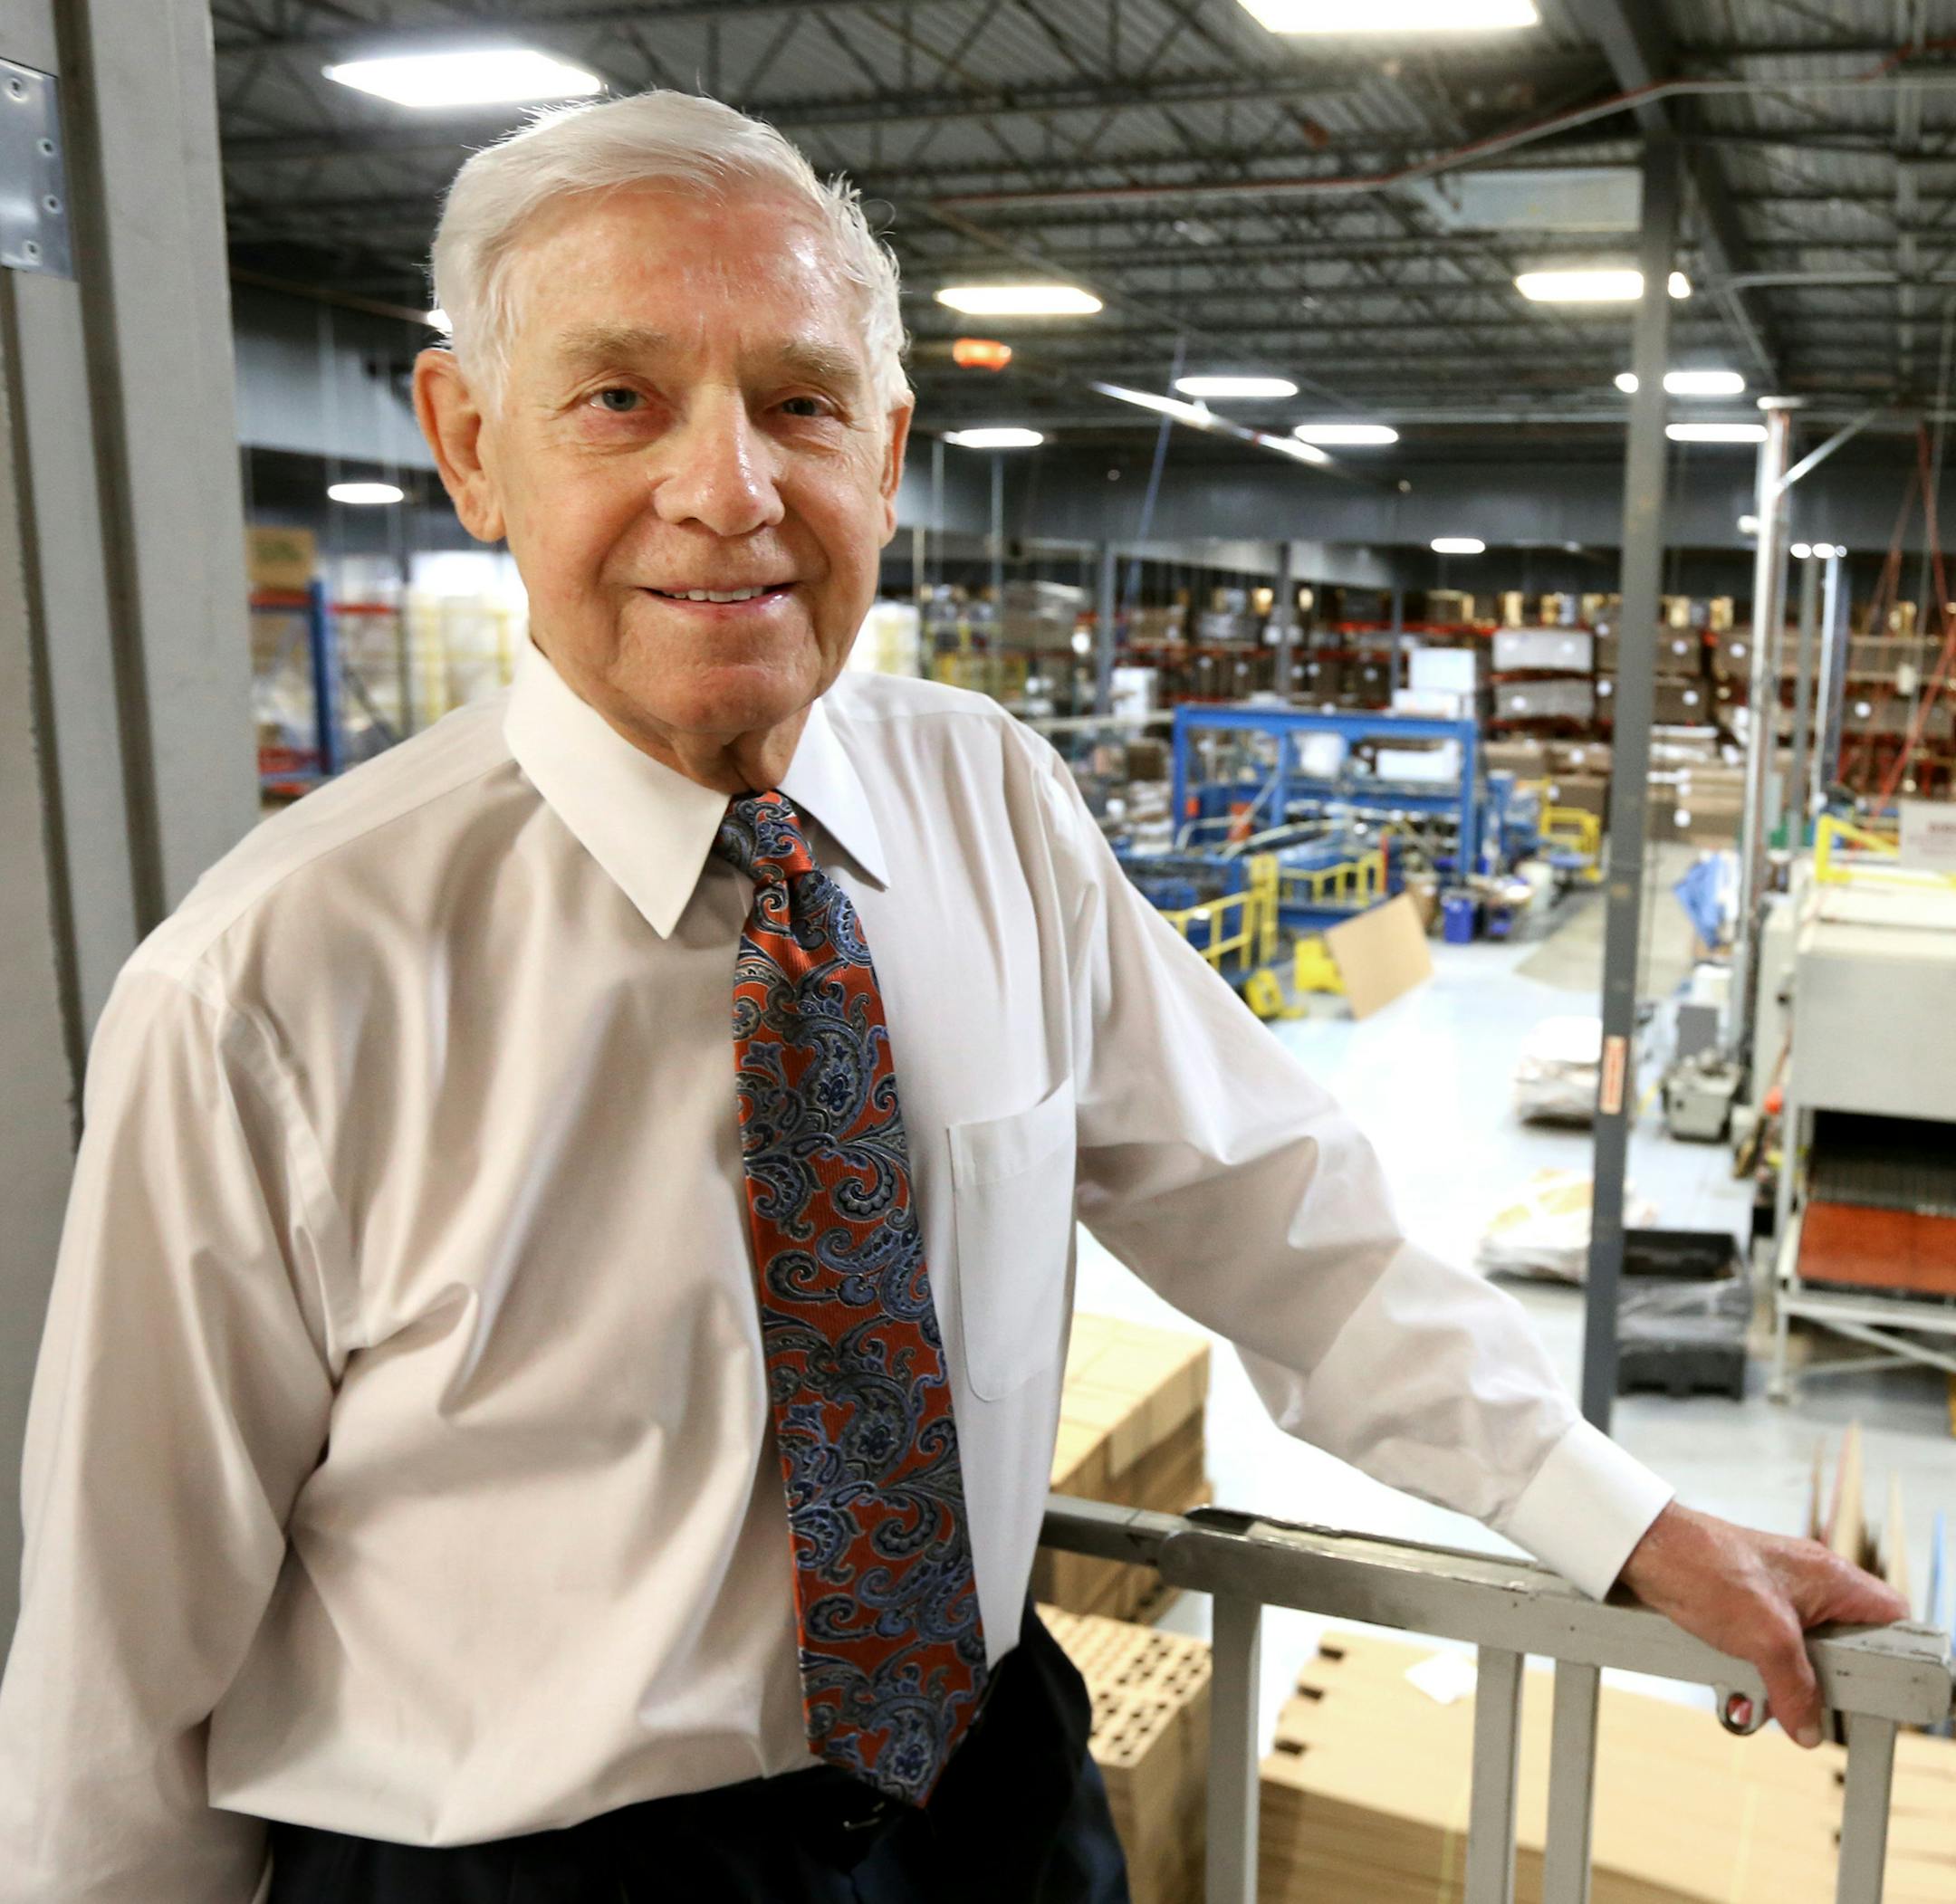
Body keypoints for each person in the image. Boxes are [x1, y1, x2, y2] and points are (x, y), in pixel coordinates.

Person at [0, 89, 1905, 1904]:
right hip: (526, 1860)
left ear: (888, 452)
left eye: (800, 402)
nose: (727, 489)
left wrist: (1624, 1517)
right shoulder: (269, 989)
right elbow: (121, 1639)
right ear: (471, 440)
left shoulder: (984, 798)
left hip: (981, 1799)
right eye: (620, 398)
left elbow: (1279, 1216)